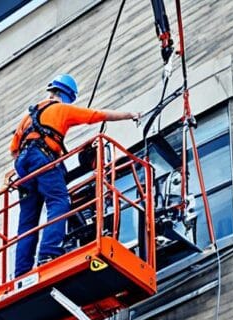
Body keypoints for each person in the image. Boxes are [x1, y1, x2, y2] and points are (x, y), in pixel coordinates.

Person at [7, 74, 139, 276]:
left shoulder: (27, 118)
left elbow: (14, 151)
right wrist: (129, 114)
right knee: (59, 201)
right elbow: (97, 115)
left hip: (23, 166)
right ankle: (48, 253)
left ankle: (21, 273)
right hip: (41, 157)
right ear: (66, 95)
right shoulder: (61, 109)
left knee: (27, 223)